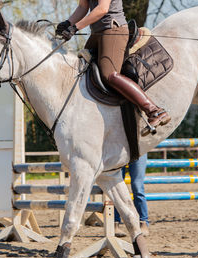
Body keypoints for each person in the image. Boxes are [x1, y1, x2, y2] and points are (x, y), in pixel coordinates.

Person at [55, 0, 171, 129]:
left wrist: (76, 27)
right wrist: (68, 23)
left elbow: (102, 9)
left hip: (113, 30)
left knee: (109, 74)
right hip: (97, 33)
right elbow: (83, 6)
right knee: (81, 69)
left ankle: (154, 111)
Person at [114, 154, 149, 237]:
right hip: (119, 150)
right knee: (116, 187)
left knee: (138, 187)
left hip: (139, 150)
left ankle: (143, 222)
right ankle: (115, 223)